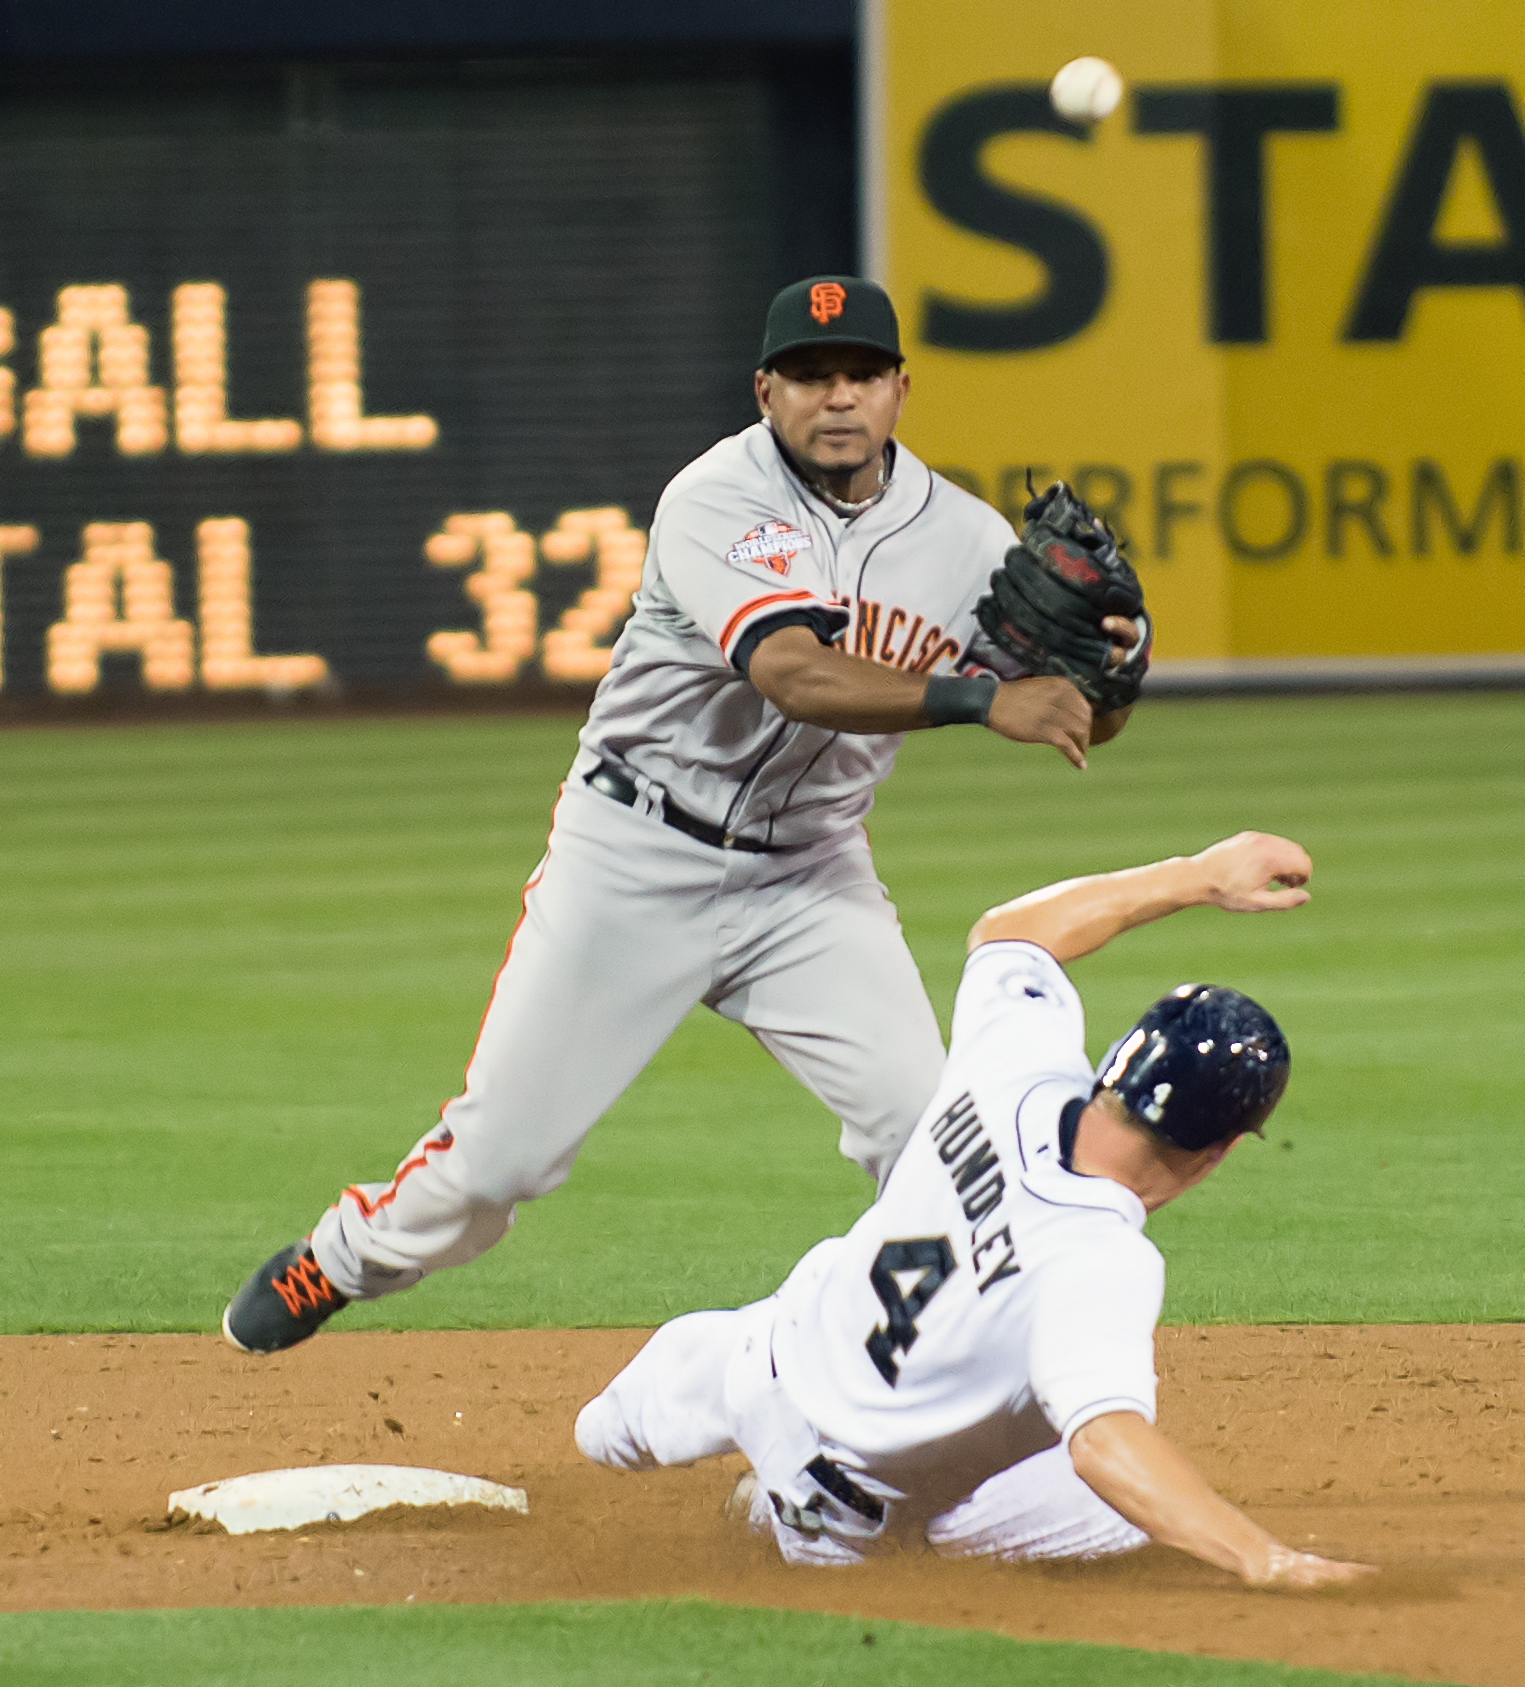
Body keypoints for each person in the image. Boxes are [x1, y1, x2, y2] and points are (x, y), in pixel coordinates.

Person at [222, 275, 1143, 1354]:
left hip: (808, 877)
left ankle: (915, 1367)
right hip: (632, 857)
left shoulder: (968, 543)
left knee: (930, 1133)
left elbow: (1072, 717)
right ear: (764, 392)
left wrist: (1115, 670)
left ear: (901, 388)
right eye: (807, 377)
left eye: (857, 375)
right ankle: (341, 1258)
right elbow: (795, 673)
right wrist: (987, 698)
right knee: (500, 1163)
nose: (834, 398)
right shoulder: (716, 497)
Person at [575, 831, 1377, 1590]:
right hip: (832, 1519)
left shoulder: (1019, 1060)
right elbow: (1104, 1443)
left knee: (597, 1434)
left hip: (741, 1358)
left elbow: (1010, 933)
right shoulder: (1100, 1260)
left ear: (1114, 1067)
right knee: (1112, 1481)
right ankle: (791, 1509)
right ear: (1220, 1151)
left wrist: (1200, 874)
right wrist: (1260, 1556)